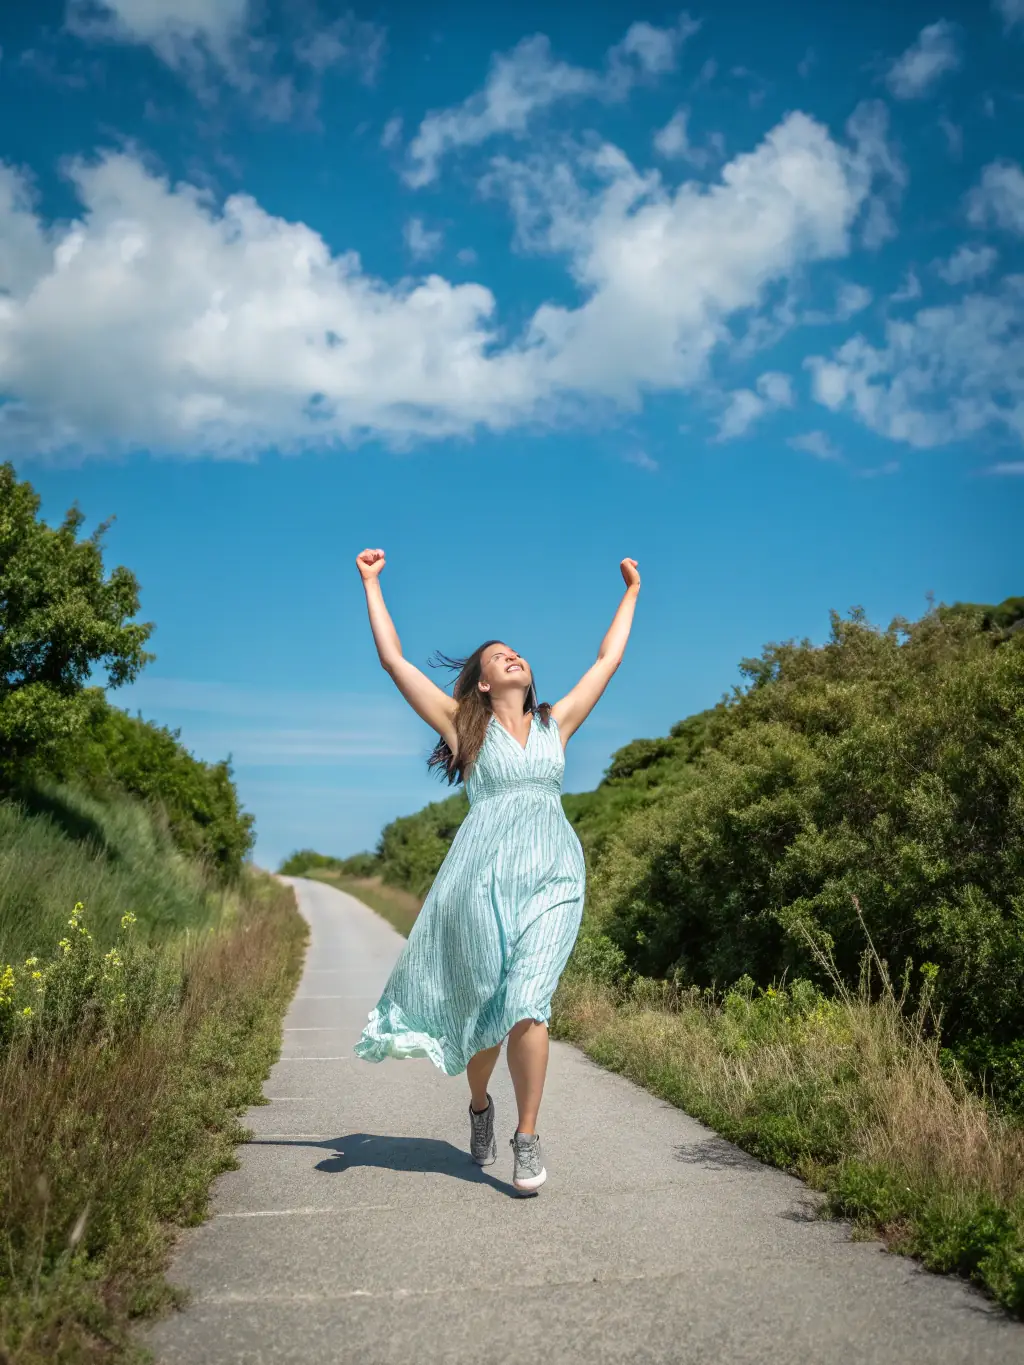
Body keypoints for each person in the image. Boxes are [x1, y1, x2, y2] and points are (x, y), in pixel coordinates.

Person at [352, 547, 640, 1194]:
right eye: (498, 654)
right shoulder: (465, 728)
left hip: (555, 874)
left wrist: (631, 592)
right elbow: (394, 661)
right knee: (487, 1010)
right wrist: (372, 583)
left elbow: (607, 660)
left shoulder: (555, 724)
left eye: (519, 653)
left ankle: (526, 1135)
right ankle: (480, 1106)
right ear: (483, 680)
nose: (513, 656)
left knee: (529, 1002)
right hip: (483, 881)